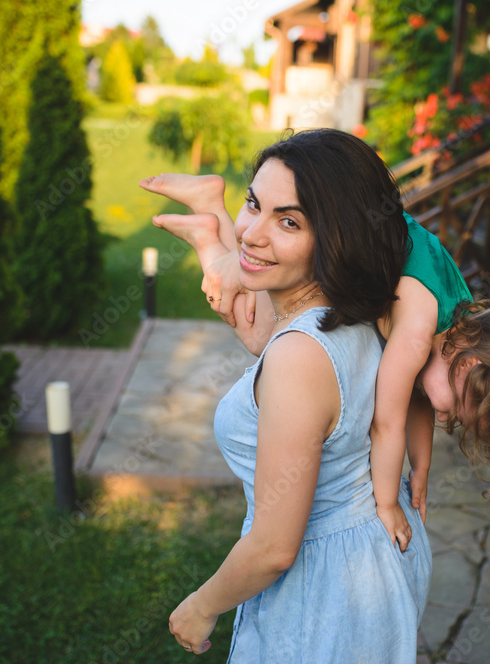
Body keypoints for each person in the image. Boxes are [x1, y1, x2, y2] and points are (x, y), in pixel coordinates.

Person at [160, 129, 431, 661]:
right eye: (253, 205)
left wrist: (200, 605)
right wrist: (213, 235)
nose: (253, 234)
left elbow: (273, 548)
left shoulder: (299, 358)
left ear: (335, 237)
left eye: (289, 221)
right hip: (375, 557)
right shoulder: (357, 311)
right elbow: (265, 333)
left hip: (327, 591)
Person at [140, 175, 473, 552]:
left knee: (259, 318)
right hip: (340, 246)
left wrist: (421, 468)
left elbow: (418, 399)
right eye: (459, 411)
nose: (448, 420)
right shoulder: (415, 336)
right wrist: (387, 502)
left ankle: (208, 223)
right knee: (260, 333)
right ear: (467, 364)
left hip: (359, 245)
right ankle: (211, 230)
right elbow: (386, 423)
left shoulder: (453, 321)